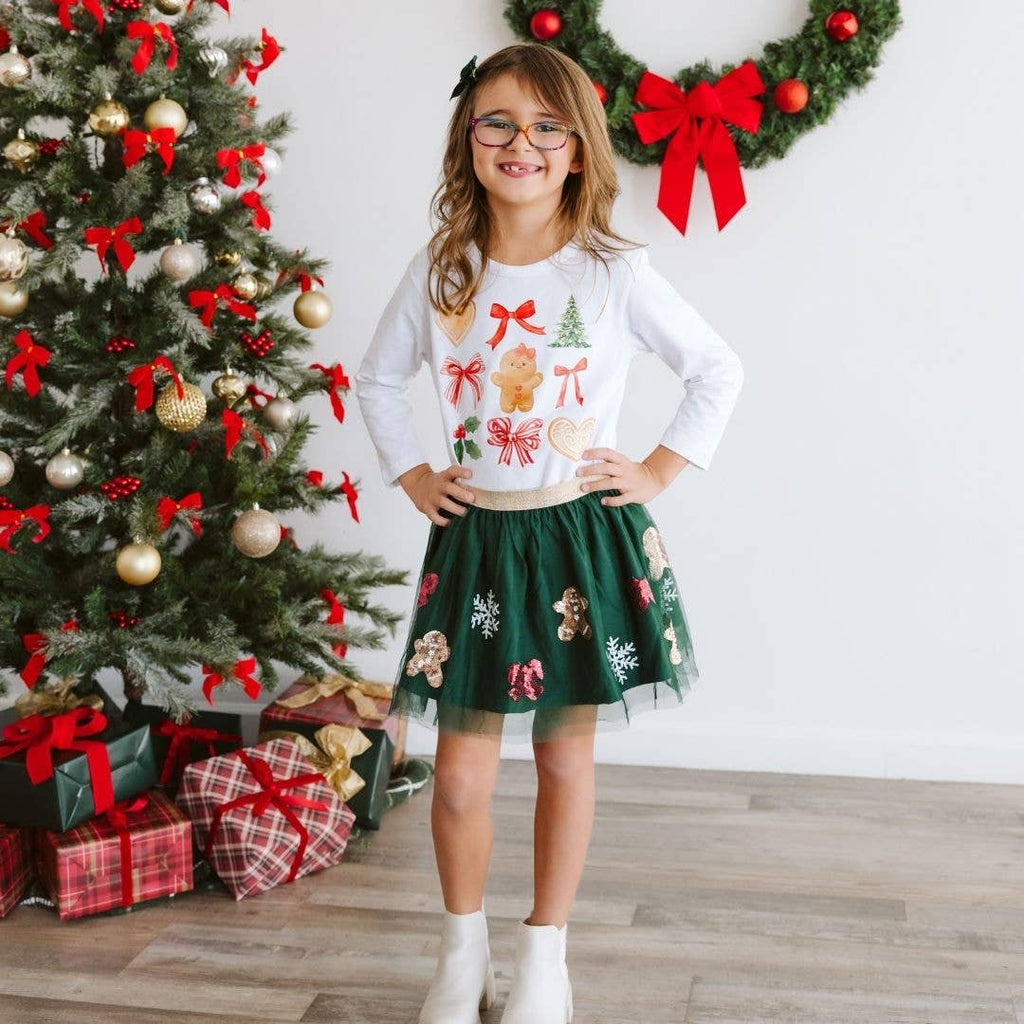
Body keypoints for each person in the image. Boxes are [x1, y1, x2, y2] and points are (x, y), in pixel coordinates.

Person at [354, 42, 744, 1024]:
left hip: (577, 543)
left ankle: (545, 957)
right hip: (479, 543)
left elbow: (714, 368)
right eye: (496, 122)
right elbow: (378, 377)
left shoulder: (610, 270)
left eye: (543, 126)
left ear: (575, 149)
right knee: (457, 775)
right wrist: (410, 471)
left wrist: (654, 467)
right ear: (468, 139)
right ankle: (459, 955)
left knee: (566, 760)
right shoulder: (444, 269)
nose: (518, 142)